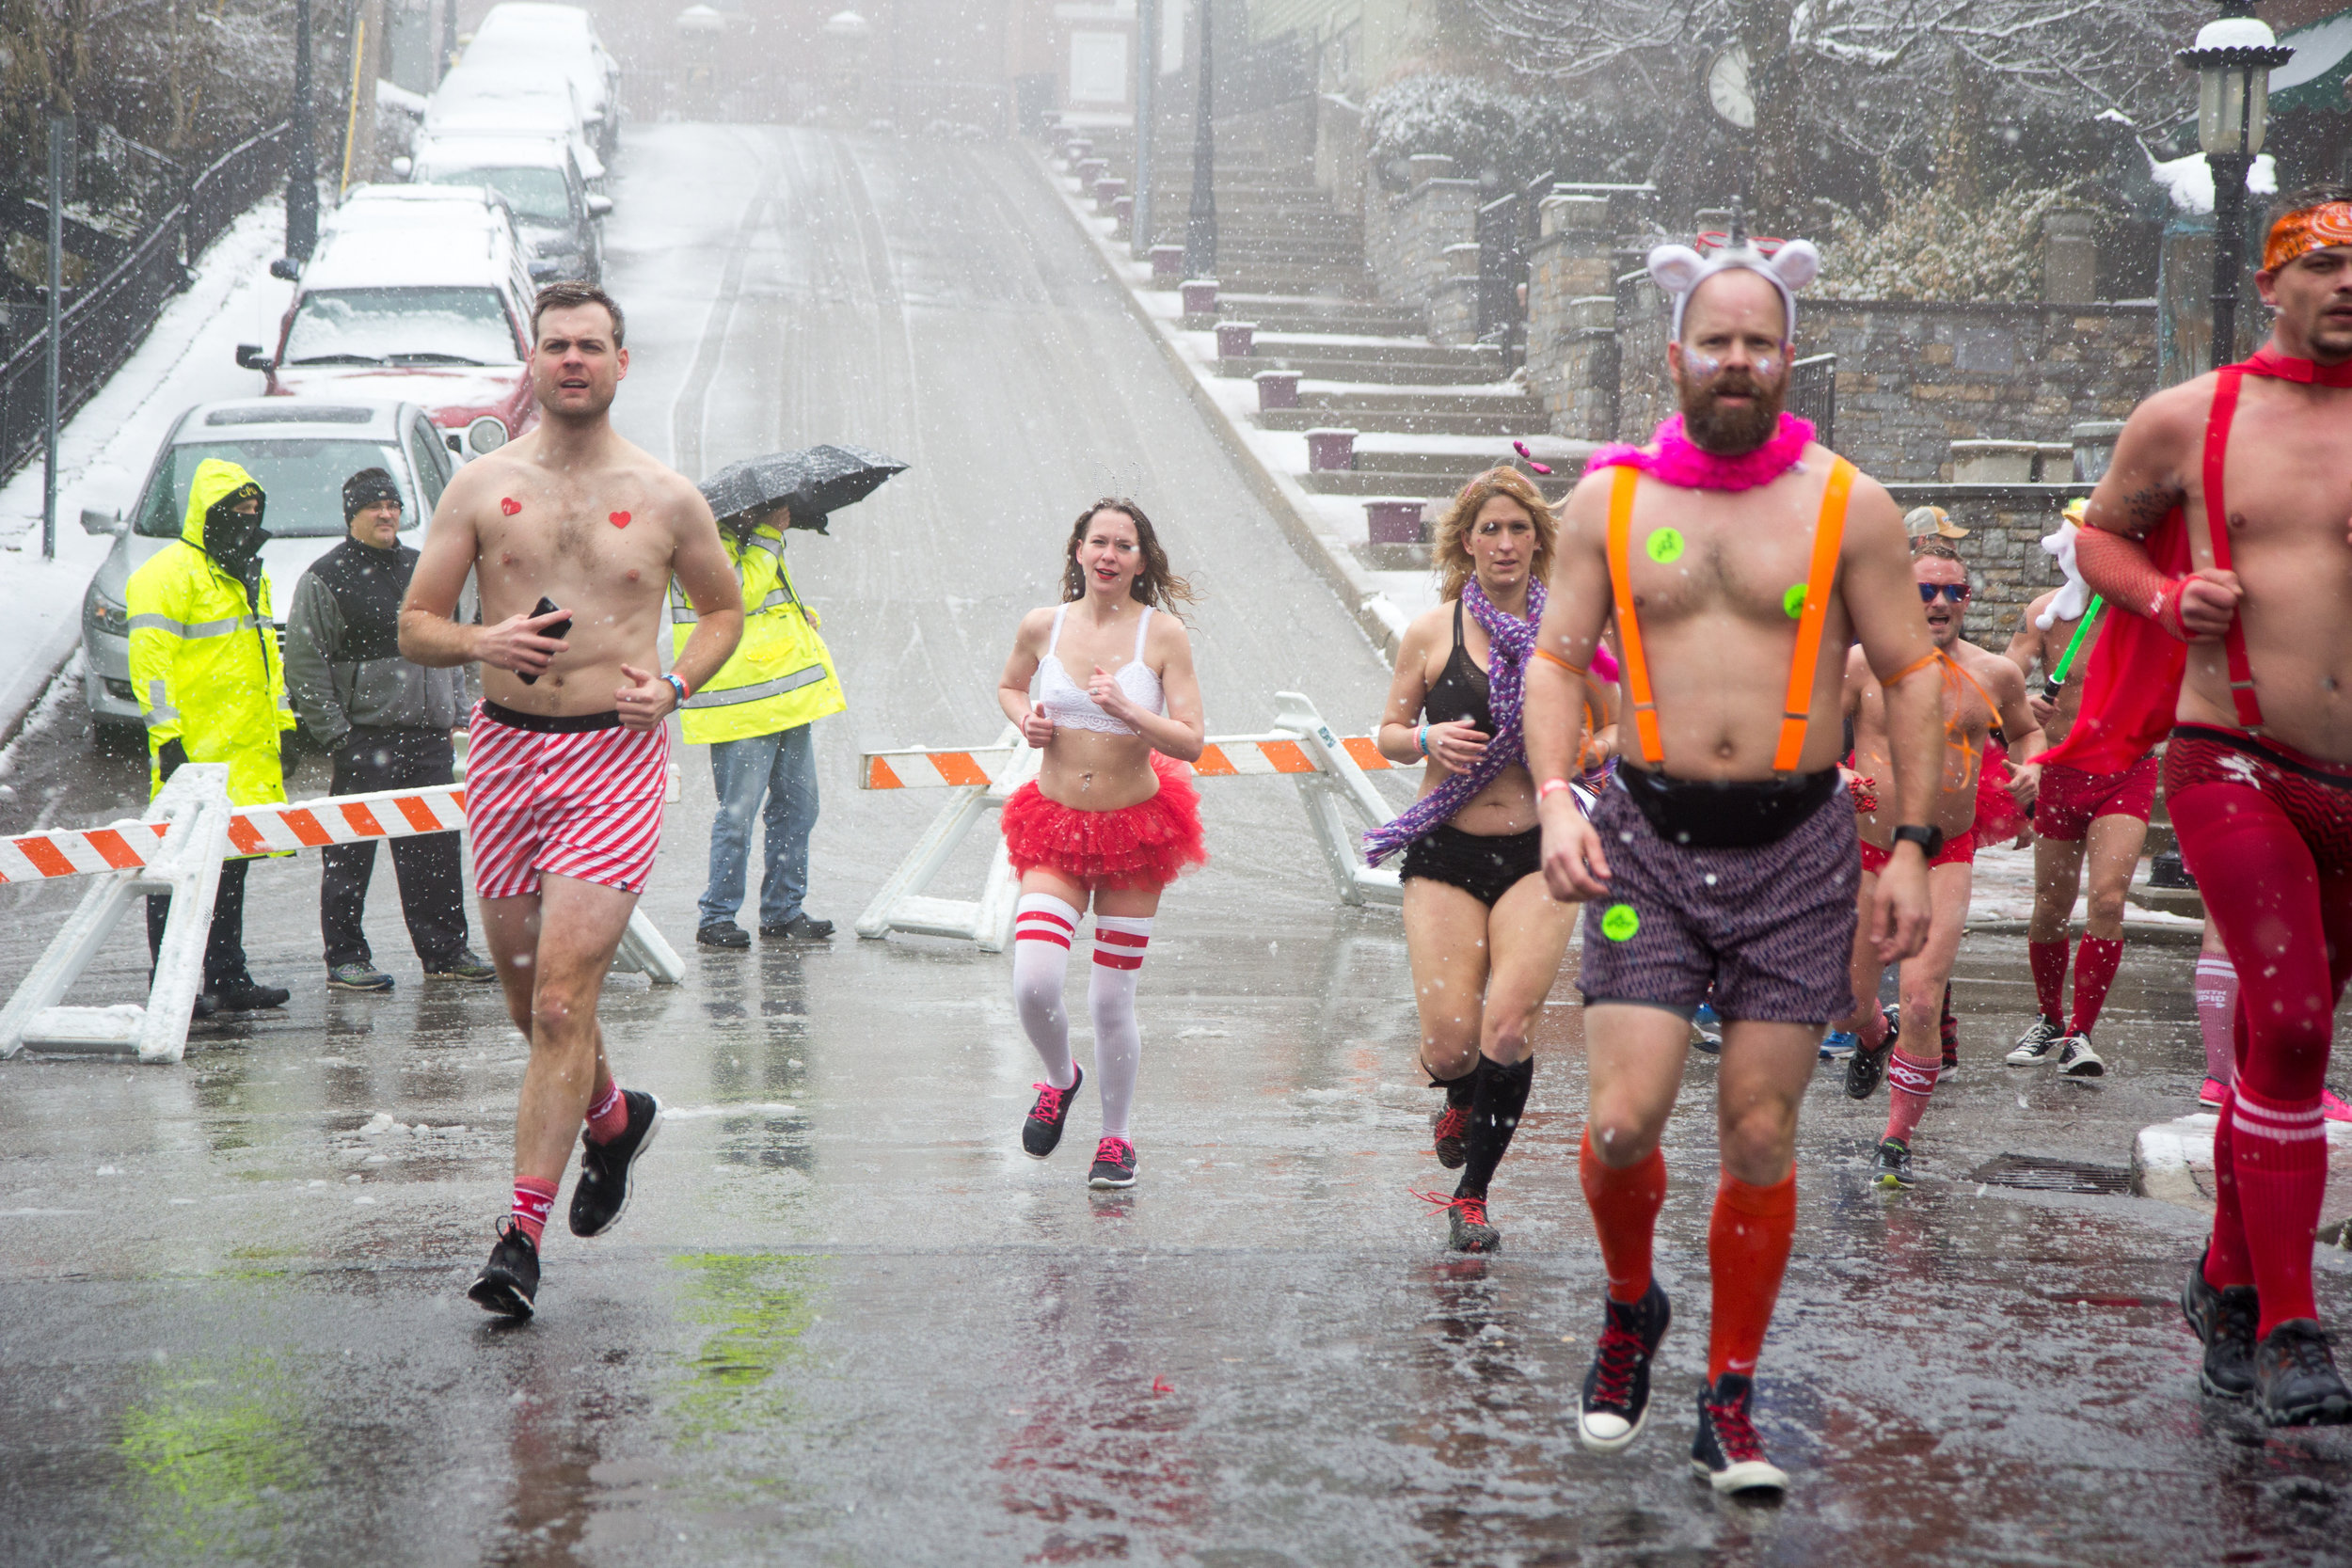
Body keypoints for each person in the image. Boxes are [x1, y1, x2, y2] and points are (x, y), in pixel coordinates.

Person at [1527, 229, 1937, 1495]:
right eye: (1719, 340)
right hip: (1642, 840)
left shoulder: (1846, 503)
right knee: (1617, 1116)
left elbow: (1915, 674)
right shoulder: (1609, 500)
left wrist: (1912, 841)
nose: (1741, 360)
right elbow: (1553, 659)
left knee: (1759, 1126)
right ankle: (1631, 1304)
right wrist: (1555, 795)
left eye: (1762, 340)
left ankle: (1732, 1390)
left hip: (1801, 847)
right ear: (1677, 353)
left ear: (1790, 354)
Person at [400, 281, 746, 1319]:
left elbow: (723, 611)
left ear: (620, 362)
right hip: (506, 752)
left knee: (561, 1000)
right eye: (555, 345)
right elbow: (417, 623)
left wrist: (676, 684)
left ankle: (519, 1236)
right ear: (535, 362)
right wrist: (480, 640)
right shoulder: (480, 485)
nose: (573, 361)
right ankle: (611, 1117)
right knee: (526, 1005)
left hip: (613, 757)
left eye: (591, 345)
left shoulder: (667, 496)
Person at [2070, 184, 2352, 1425]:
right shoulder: (2191, 416)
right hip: (2232, 757)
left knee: (2280, 1047)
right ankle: (2294, 1325)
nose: (2351, 284)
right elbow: (2100, 538)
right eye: (2329, 263)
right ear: (2273, 284)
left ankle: (2230, 1276)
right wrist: (2156, 595)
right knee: (2290, 1023)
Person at [1367, 466, 1610, 1253]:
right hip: (1446, 848)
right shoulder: (1432, 632)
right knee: (1448, 1043)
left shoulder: (1571, 635)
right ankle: (1461, 1092)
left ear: (1538, 540)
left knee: (1508, 1024)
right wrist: (1426, 739)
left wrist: (1591, 750)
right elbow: (1388, 732)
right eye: (1489, 530)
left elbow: (1621, 725)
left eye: (1517, 529)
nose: (1504, 544)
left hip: (1541, 848)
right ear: (1465, 541)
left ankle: (1471, 1193)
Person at [995, 499, 1206, 1191]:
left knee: (1111, 1001)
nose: (1109, 555)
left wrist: (1128, 710)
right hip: (1055, 822)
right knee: (1034, 982)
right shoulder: (1043, 624)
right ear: (1079, 551)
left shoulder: (1163, 634)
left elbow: (1192, 740)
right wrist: (1025, 716)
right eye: (1099, 542)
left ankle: (1116, 1139)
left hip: (1134, 828)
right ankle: (1061, 1077)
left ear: (1141, 561)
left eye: (1124, 544)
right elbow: (1008, 684)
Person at [1838, 538, 2043, 1187]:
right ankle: (1873, 1034)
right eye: (1926, 589)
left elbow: (2028, 731)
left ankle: (1895, 1138)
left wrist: (2033, 766)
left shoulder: (1993, 674)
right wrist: (1836, 773)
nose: (1939, 602)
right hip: (1866, 849)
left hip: (1942, 851)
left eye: (1953, 591)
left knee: (1924, 1001)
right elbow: (1809, 734)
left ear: (1967, 601)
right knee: (1843, 999)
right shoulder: (1860, 666)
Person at [284, 467, 494, 990]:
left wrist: (457, 711)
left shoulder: (422, 568)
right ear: (351, 515)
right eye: (373, 506)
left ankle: (445, 950)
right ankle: (346, 957)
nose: (386, 514)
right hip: (366, 740)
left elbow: (451, 645)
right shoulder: (324, 577)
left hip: (428, 739)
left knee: (435, 851)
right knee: (349, 852)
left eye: (392, 505)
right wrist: (337, 735)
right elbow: (305, 665)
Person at [128, 458, 294, 1016]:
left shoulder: (248, 571)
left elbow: (267, 657)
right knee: (177, 870)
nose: (247, 522)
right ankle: (169, 983)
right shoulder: (167, 574)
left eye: (254, 512)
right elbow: (152, 667)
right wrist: (168, 737)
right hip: (196, 752)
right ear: (209, 514)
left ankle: (226, 976)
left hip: (244, 752)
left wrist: (284, 725)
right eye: (237, 512)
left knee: (231, 868)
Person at [1998, 500, 2153, 1073]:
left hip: (2127, 769)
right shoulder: (2045, 613)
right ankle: (2047, 1018)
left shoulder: (2139, 614)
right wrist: (2022, 704)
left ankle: (2080, 1033)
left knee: (2108, 901)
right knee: (2050, 908)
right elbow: (2003, 678)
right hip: (2060, 774)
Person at [677, 499, 847, 949]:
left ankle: (783, 912)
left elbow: (763, 605)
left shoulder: (748, 539)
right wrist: (770, 534)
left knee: (798, 809)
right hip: (743, 704)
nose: (780, 512)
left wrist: (796, 614)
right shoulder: (705, 542)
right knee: (738, 816)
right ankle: (716, 917)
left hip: (784, 698)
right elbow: (737, 596)